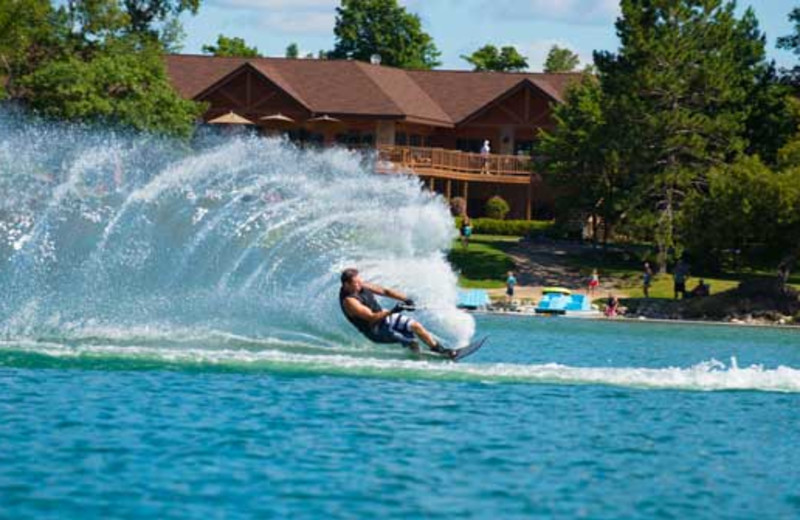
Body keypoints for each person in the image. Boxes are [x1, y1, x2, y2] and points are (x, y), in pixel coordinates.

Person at [339, 268, 455, 358]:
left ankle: (438, 349)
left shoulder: (361, 285)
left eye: (360, 281)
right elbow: (372, 318)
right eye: (356, 283)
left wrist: (405, 299)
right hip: (375, 330)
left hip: (384, 317)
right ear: (346, 285)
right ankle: (418, 359)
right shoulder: (350, 301)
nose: (360, 284)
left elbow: (385, 291)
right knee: (412, 342)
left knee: (416, 326)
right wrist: (394, 310)